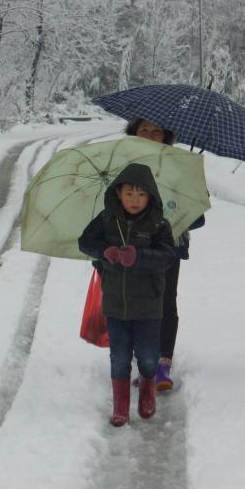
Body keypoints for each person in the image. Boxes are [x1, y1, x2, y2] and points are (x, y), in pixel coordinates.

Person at [78, 163, 178, 426]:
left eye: (141, 194)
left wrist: (139, 256)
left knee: (147, 356)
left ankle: (147, 388)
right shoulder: (106, 220)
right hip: (116, 303)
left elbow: (168, 256)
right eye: (129, 193)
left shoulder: (158, 225)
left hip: (148, 305)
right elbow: (85, 242)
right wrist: (105, 251)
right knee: (119, 356)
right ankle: (121, 405)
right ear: (118, 194)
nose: (135, 200)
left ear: (151, 197)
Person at [125, 118, 206, 391]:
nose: (150, 135)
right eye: (143, 130)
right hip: (131, 245)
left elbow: (198, 217)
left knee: (165, 301)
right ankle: (143, 360)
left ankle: (162, 364)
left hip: (168, 245)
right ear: (134, 133)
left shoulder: (179, 165)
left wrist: (191, 189)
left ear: (166, 136)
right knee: (135, 302)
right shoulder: (123, 164)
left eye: (156, 131)